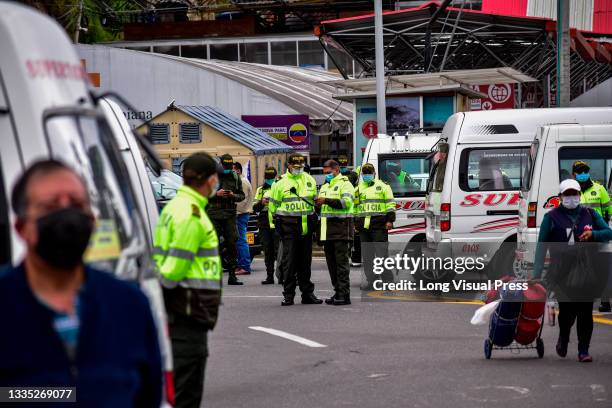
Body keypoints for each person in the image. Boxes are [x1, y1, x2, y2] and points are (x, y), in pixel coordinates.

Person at [0, 160, 161, 406]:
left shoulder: (129, 305)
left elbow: (147, 397)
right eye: (51, 207)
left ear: (93, 221)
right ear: (22, 228)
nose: (66, 215)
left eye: (76, 205)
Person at [154, 152, 223, 407]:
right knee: (187, 395)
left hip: (181, 312)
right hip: (187, 312)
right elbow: (172, 271)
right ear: (209, 179)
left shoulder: (176, 206)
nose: (218, 183)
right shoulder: (191, 215)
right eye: (217, 178)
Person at [533, 179, 612, 363]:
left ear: (579, 195)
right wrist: (537, 274)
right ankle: (564, 337)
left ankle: (583, 350)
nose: (571, 198)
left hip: (587, 270)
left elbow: (608, 232)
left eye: (574, 194)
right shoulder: (551, 217)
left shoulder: (590, 214)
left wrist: (594, 234)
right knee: (567, 312)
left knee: (585, 311)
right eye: (567, 194)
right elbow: (541, 247)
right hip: (562, 272)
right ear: (560, 197)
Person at [269, 153, 322, 306]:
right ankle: (288, 295)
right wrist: (277, 224)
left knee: (305, 263)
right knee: (289, 263)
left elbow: (314, 201)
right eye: (296, 167)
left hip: (306, 228)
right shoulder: (280, 183)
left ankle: (307, 294)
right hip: (288, 228)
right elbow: (273, 206)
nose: (299, 169)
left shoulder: (309, 179)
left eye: (301, 166)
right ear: (289, 166)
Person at [572, 160, 612, 312]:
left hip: (598, 234)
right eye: (580, 171)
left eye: (585, 171)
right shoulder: (572, 190)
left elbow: (609, 209)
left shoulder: (599, 188)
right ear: (574, 174)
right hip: (580, 236)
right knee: (581, 267)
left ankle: (605, 300)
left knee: (602, 268)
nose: (583, 174)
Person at [316, 159, 355, 306]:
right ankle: (337, 291)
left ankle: (344, 295)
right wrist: (318, 204)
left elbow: (346, 203)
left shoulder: (345, 184)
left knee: (341, 265)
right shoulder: (326, 186)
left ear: (336, 170)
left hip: (341, 229)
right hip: (328, 231)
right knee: (332, 265)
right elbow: (323, 209)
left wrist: (326, 200)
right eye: (325, 172)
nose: (326, 175)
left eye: (328, 172)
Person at [354, 163, 396, 290]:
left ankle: (388, 281)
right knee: (367, 256)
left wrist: (390, 220)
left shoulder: (383, 186)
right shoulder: (358, 188)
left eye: (369, 173)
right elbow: (355, 207)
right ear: (362, 175)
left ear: (374, 174)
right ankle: (371, 281)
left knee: (382, 255)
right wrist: (355, 223)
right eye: (365, 173)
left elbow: (390, 204)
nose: (367, 175)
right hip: (363, 227)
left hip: (379, 225)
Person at [208, 153, 245, 285]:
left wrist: (233, 195)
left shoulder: (235, 176)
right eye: (225, 166)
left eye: (230, 166)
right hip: (214, 214)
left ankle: (232, 276)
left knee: (232, 244)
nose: (228, 168)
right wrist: (215, 194)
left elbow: (242, 196)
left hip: (229, 214)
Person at [254, 167, 280, 284]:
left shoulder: (280, 187)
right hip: (264, 222)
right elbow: (254, 208)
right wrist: (261, 202)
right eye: (267, 178)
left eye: (271, 178)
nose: (269, 180)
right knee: (267, 250)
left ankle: (282, 275)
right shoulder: (260, 190)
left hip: (277, 220)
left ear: (275, 176)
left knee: (279, 250)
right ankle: (269, 276)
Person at [234, 161, 254, 275]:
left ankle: (245, 266)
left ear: (238, 170)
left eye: (232, 170)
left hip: (240, 214)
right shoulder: (239, 181)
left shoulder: (242, 182)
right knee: (239, 241)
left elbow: (242, 201)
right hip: (241, 214)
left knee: (241, 241)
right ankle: (241, 265)